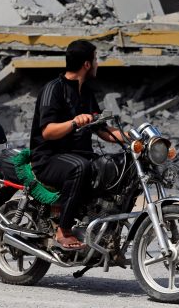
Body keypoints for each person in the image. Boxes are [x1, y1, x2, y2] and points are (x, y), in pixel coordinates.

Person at [29, 39, 123, 251]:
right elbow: (48, 131)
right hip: (48, 158)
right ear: (87, 64)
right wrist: (73, 122)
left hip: (80, 154)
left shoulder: (87, 93)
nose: (98, 63)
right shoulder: (53, 89)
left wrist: (135, 138)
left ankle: (103, 224)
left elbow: (104, 131)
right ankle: (63, 229)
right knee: (81, 167)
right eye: (96, 59)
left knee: (117, 165)